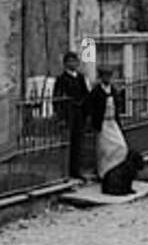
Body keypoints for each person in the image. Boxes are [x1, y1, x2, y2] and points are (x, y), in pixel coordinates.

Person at [53, 51, 91, 180]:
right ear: (65, 64)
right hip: (68, 112)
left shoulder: (80, 78)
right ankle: (66, 171)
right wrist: (60, 116)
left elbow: (86, 95)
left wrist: (86, 111)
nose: (73, 64)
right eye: (70, 61)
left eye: (75, 61)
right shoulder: (61, 79)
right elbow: (57, 99)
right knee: (67, 143)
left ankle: (77, 170)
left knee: (78, 142)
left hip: (79, 113)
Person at [88, 67, 130, 180]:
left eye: (109, 76)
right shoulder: (96, 91)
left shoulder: (113, 90)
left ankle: (115, 168)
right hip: (102, 123)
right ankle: (103, 172)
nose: (108, 78)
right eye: (105, 76)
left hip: (112, 122)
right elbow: (91, 107)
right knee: (104, 149)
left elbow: (117, 106)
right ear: (101, 77)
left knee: (121, 146)